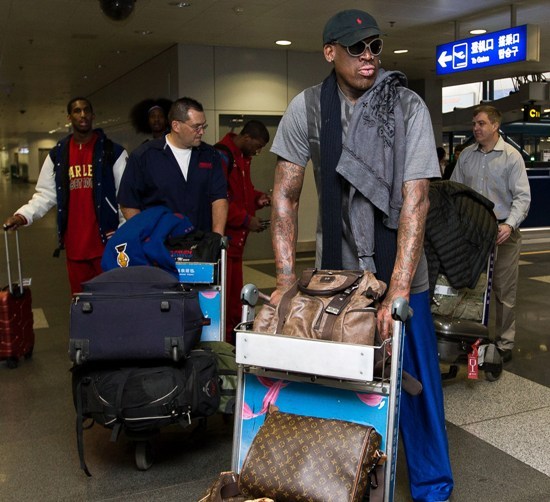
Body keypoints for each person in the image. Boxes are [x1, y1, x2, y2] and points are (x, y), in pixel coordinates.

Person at [269, 9, 453, 502]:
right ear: (330, 53)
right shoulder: (308, 109)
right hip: (338, 282)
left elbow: (416, 198)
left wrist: (396, 290)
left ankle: (433, 487)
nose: (369, 57)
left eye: (375, 46)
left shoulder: (407, 106)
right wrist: (287, 280)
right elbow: (284, 193)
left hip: (400, 275)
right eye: (357, 48)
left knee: (417, 390)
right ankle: (347, 481)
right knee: (343, 389)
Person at [3, 97, 127, 294]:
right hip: (75, 244)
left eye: (86, 110)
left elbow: (125, 195)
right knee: (81, 302)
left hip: (106, 243)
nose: (83, 115)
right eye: (77, 111)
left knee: (110, 299)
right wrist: (23, 215)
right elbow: (45, 194)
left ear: (93, 115)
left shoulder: (113, 152)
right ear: (69, 117)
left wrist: (122, 232)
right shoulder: (58, 155)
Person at [451, 105, 530, 363]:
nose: (476, 128)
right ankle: (473, 338)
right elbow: (455, 190)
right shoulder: (466, 156)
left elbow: (522, 198)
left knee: (503, 292)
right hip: (473, 234)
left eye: (481, 123)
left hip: (502, 233)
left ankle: (505, 342)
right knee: (471, 285)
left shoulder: (511, 157)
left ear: (495, 126)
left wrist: (510, 225)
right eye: (474, 123)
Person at [118, 96, 228, 234]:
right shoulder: (144, 156)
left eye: (203, 126)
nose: (202, 132)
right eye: (196, 127)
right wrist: (145, 236)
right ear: (176, 126)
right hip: (160, 247)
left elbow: (219, 198)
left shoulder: (210, 155)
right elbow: (128, 204)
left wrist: (217, 238)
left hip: (200, 245)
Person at [214, 120, 271, 343]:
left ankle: (235, 336)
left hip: (236, 243)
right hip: (225, 240)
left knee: (235, 294)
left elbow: (241, 193)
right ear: (246, 138)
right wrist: (247, 220)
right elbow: (221, 201)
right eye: (257, 146)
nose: (257, 152)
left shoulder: (241, 159)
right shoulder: (223, 157)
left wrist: (258, 199)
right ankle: (226, 341)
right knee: (226, 295)